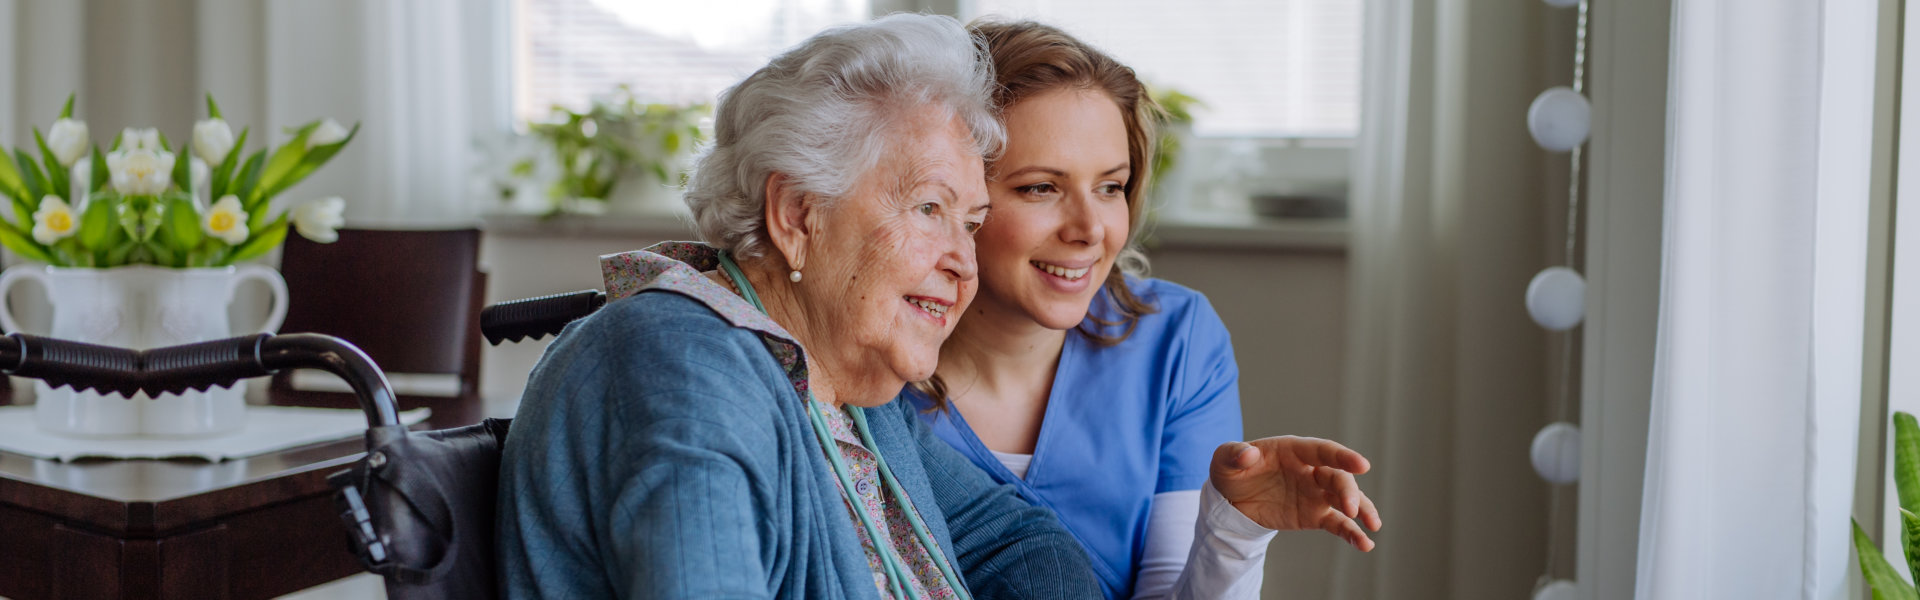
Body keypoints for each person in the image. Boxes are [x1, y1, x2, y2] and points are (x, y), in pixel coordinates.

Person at [496, 14, 1101, 599]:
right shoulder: (681, 364)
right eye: (928, 209)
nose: (964, 263)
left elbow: (1022, 545)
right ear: (796, 216)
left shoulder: (846, 390)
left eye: (970, 224)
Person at [904, 20, 1384, 600]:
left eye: (1110, 187)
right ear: (948, 196)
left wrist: (1233, 532)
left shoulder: (1175, 342)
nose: (1090, 230)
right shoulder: (874, 363)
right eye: (1039, 188)